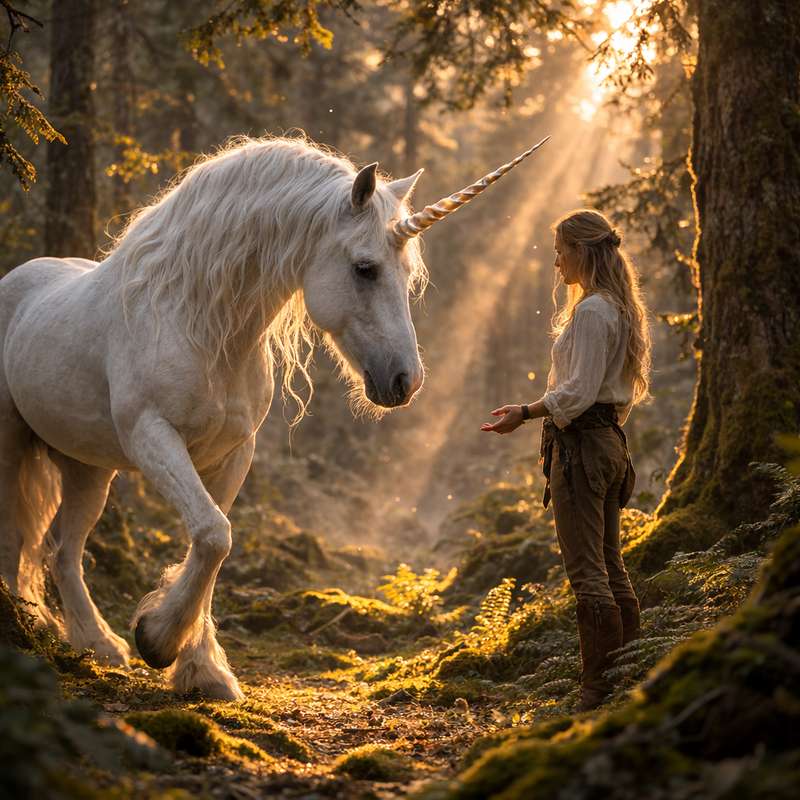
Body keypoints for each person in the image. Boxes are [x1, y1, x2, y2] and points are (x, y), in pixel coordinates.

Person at [480, 208, 652, 711]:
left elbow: (574, 395)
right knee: (611, 567)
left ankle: (597, 691)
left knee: (589, 573)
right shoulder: (614, 308)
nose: (556, 262)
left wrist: (526, 411)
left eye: (560, 250)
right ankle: (627, 677)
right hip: (605, 444)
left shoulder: (595, 311)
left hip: (582, 449)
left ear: (581, 251)